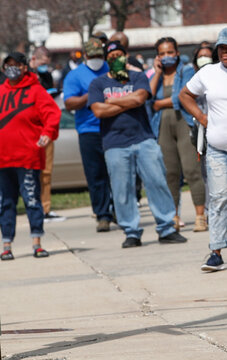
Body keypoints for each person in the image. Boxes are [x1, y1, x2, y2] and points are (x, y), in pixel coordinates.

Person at [88, 40, 187, 248]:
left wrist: (112, 101)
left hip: (143, 139)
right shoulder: (98, 84)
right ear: (107, 59)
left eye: (119, 55)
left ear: (126, 56)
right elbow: (98, 111)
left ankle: (167, 228)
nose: (116, 59)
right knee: (122, 190)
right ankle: (131, 232)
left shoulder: (138, 76)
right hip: (114, 143)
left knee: (157, 182)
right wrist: (128, 101)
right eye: (112, 56)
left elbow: (140, 99)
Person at [179, 27, 227, 271]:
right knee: (220, 198)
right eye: (221, 47)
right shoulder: (208, 73)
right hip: (217, 148)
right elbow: (185, 95)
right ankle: (215, 251)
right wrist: (202, 117)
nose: (225, 52)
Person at [0, 52, 60, 260]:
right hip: (3, 158)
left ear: (25, 67)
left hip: (27, 156)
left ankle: (37, 242)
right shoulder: (1, 92)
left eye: (16, 65)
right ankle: (6, 245)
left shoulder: (36, 91)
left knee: (32, 200)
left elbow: (52, 114)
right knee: (6, 202)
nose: (12, 68)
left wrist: (47, 133)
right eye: (8, 65)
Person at [148, 37, 206, 232]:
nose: (166, 57)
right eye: (162, 54)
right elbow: (147, 95)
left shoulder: (186, 70)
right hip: (162, 126)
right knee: (170, 173)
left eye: (170, 52)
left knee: (192, 171)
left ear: (177, 53)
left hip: (183, 122)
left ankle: (200, 216)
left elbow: (180, 97)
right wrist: (156, 72)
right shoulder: (155, 74)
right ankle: (173, 215)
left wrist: (158, 103)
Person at [63, 38, 114, 233]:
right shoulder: (75, 76)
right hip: (88, 130)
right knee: (96, 175)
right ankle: (102, 215)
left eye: (99, 56)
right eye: (92, 56)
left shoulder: (111, 69)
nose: (96, 59)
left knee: (117, 172)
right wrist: (91, 95)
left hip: (113, 127)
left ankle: (119, 209)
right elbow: (69, 103)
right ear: (85, 56)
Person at [29, 46, 65, 223]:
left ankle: (46, 208)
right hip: (29, 130)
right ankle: (32, 207)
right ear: (33, 59)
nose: (45, 66)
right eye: (42, 63)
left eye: (47, 63)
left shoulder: (47, 76)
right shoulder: (24, 76)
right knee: (30, 172)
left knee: (46, 171)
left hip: (45, 129)